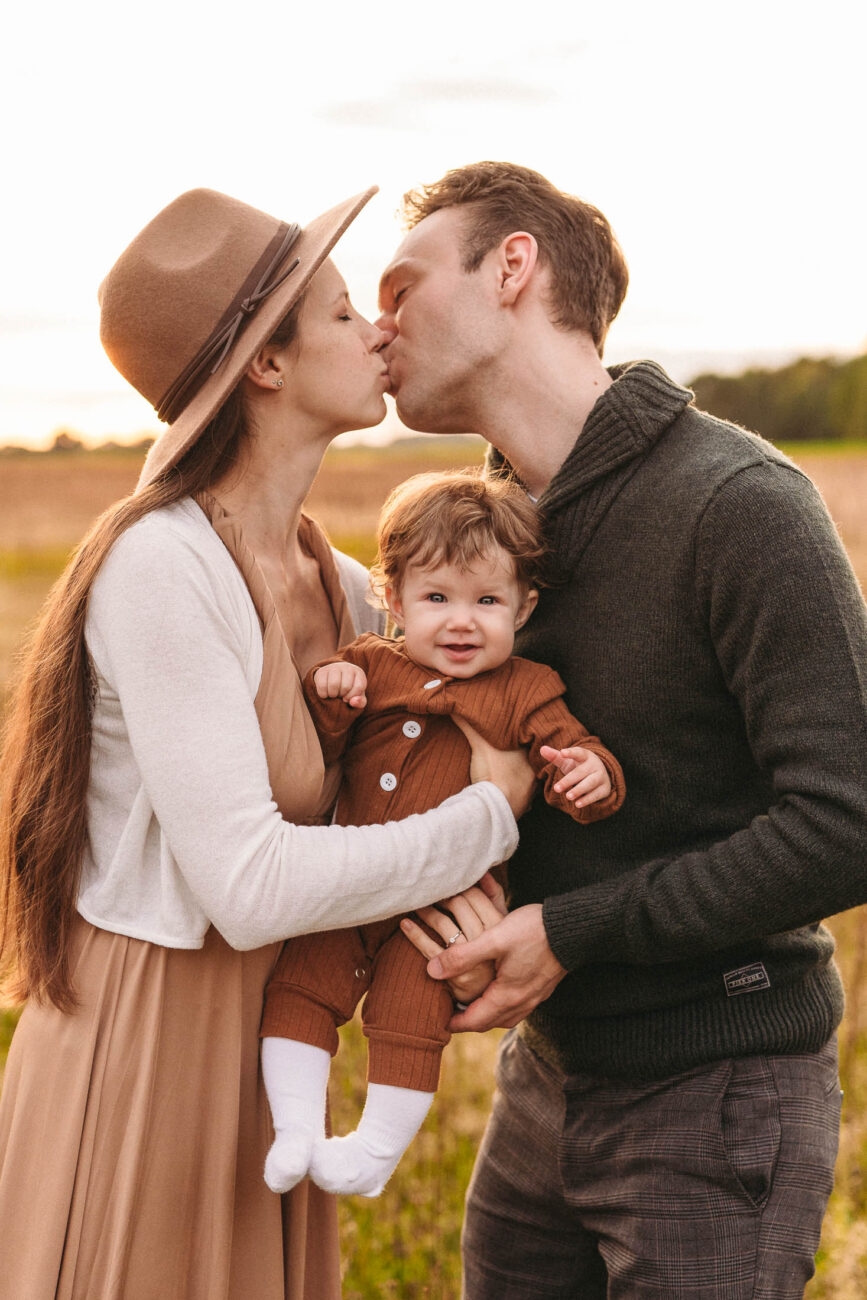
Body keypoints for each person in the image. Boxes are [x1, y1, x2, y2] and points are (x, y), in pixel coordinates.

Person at [0, 185, 531, 1299]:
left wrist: (480, 880)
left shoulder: (335, 580)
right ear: (268, 367)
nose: (378, 329)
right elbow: (246, 883)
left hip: (273, 1030)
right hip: (153, 1036)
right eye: (343, 314)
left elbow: (397, 787)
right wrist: (487, 816)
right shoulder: (163, 568)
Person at [375, 161, 867, 1298]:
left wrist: (574, 929)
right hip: (546, 1083)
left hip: (716, 1100)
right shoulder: (481, 547)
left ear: (512, 267)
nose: (378, 322)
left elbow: (848, 819)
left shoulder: (740, 503)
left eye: (404, 285)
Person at [259, 469, 625, 1199]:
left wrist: (590, 777)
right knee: (302, 989)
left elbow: (570, 754)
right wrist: (331, 701)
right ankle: (294, 1126)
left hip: (434, 917)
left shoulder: (526, 688)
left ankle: (373, 1152)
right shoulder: (370, 665)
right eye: (436, 599)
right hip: (349, 884)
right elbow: (320, 752)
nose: (462, 621)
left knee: (409, 1015)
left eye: (487, 601)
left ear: (523, 607)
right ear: (390, 599)